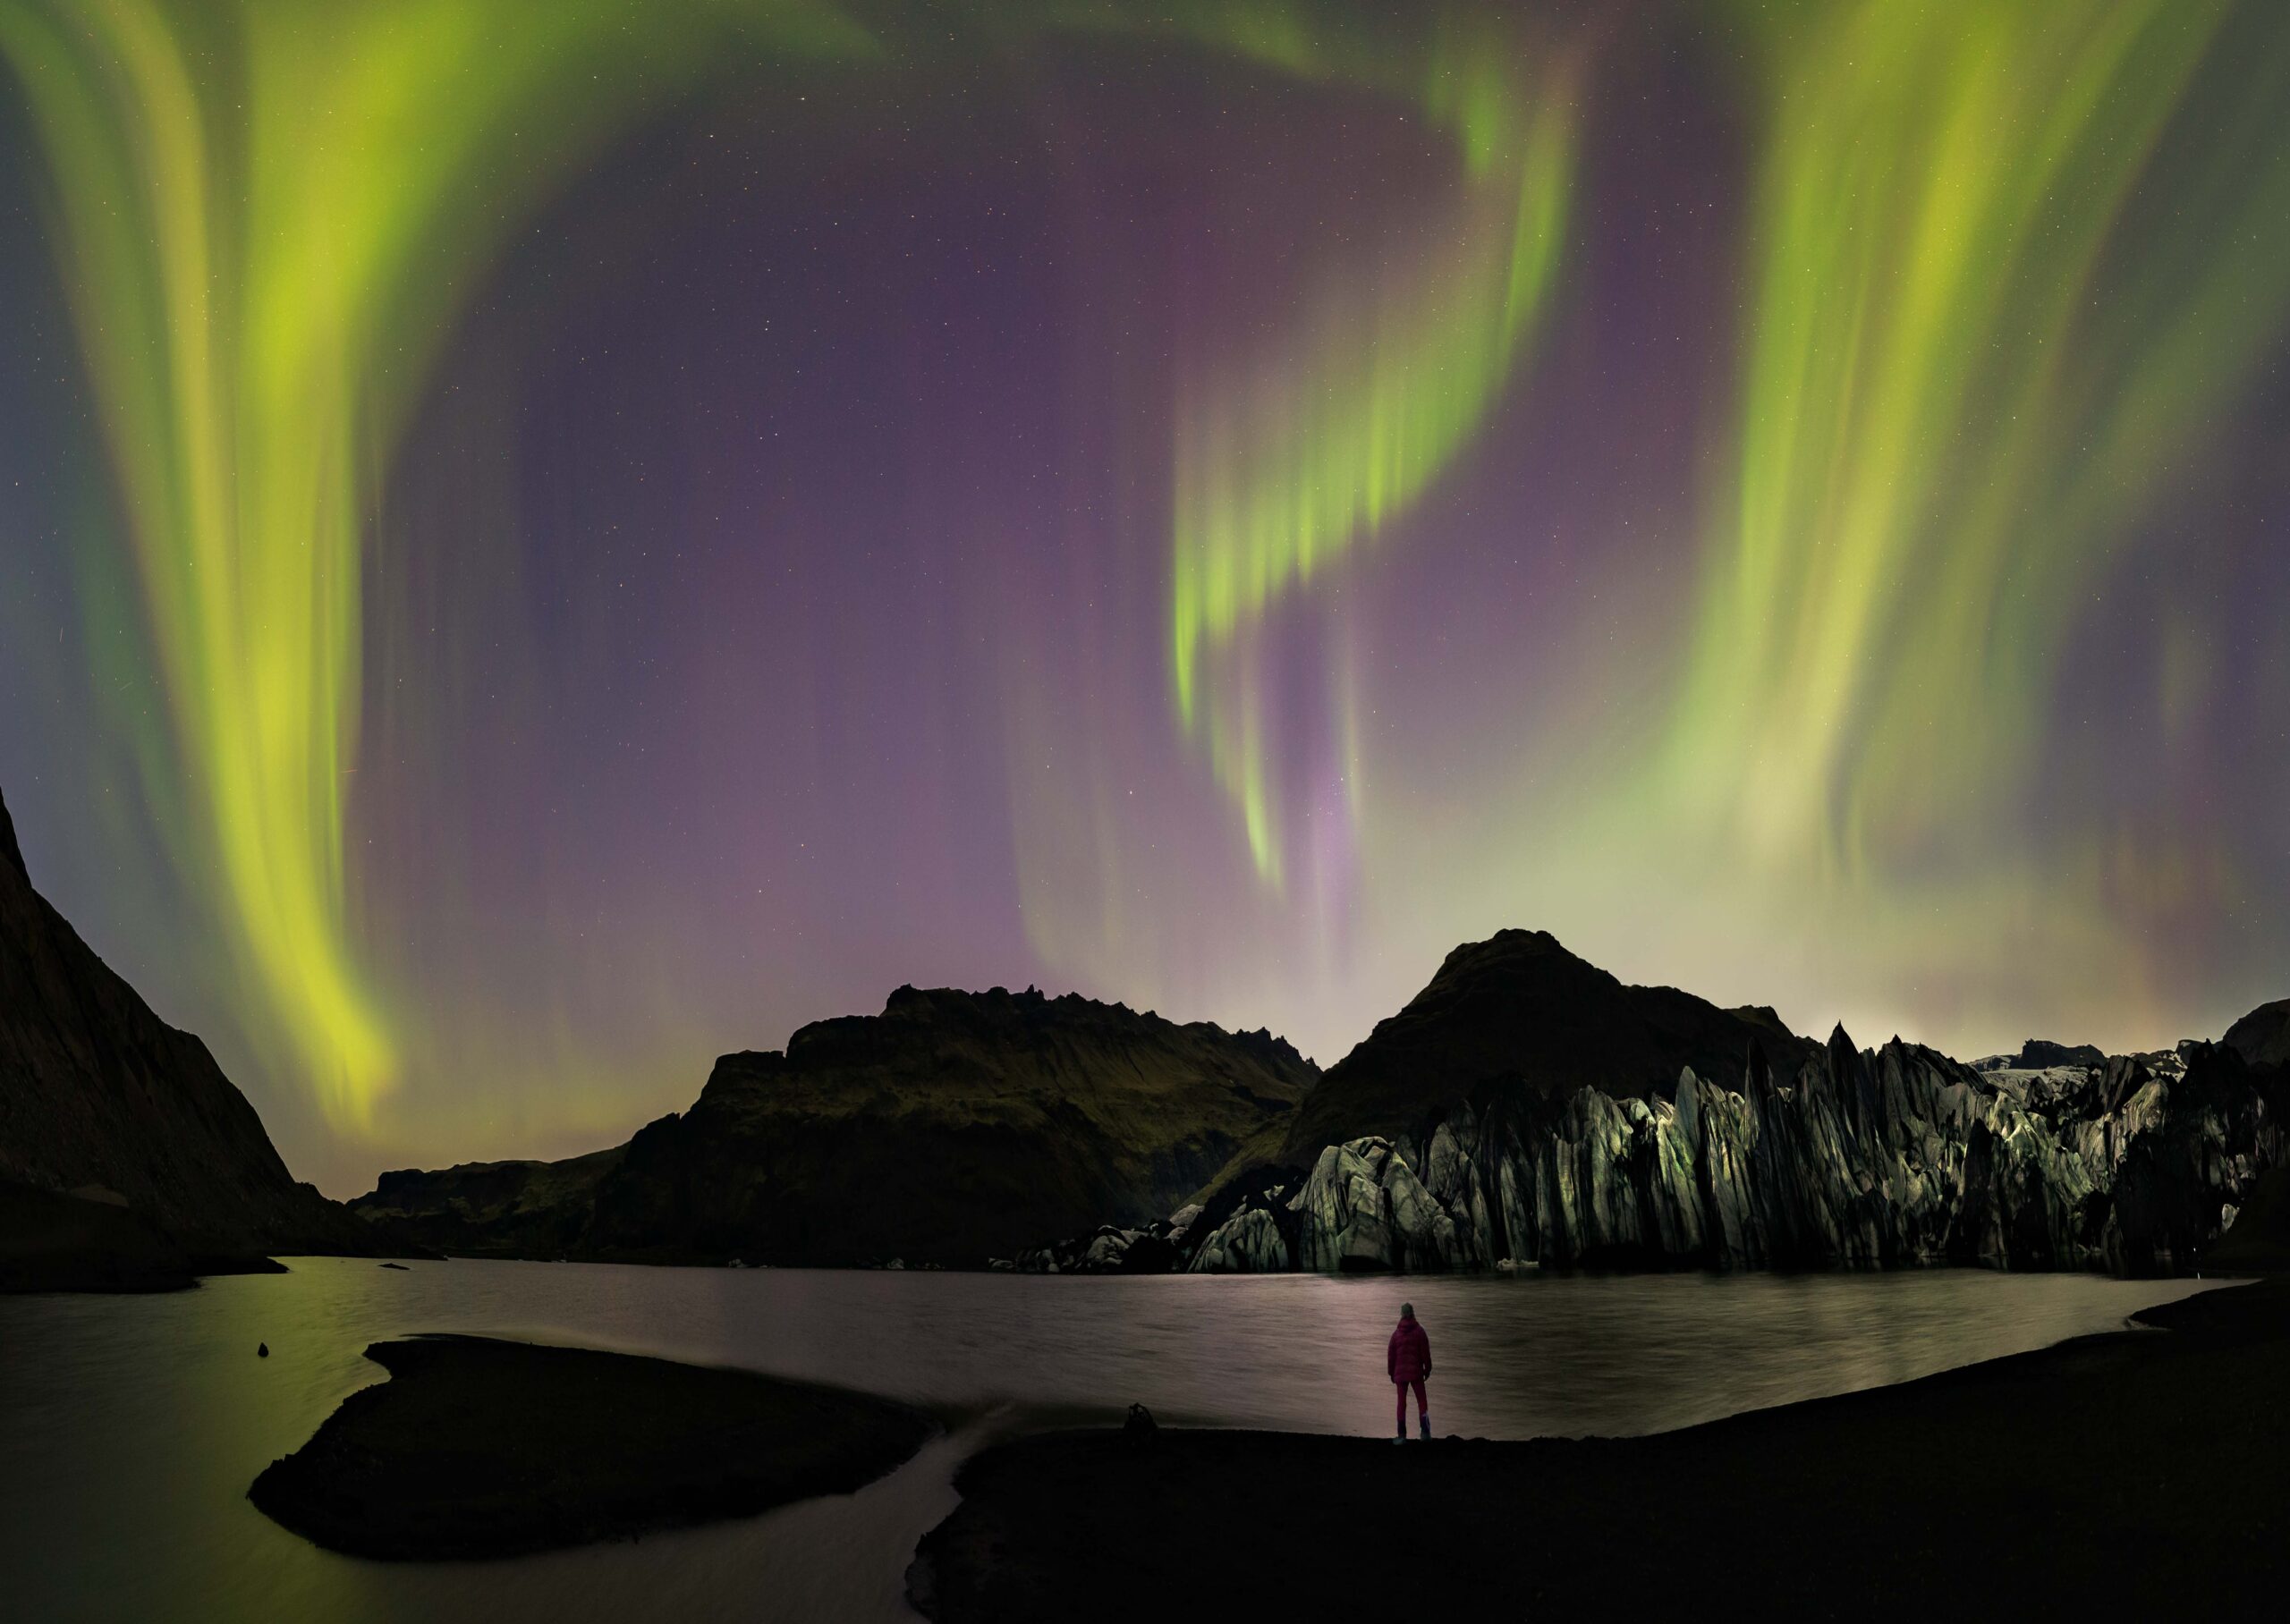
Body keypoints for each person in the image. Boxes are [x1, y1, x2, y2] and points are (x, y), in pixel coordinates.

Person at [1387, 1301, 1431, 1442]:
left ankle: (1401, 1436)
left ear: (1401, 1314)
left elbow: (1391, 1356)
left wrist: (1391, 1373)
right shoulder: (1420, 1332)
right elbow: (1425, 1353)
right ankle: (1425, 1434)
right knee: (1422, 1401)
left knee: (1401, 1403)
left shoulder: (1396, 1335)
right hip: (1416, 1373)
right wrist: (1427, 1369)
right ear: (1413, 1313)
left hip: (1400, 1374)